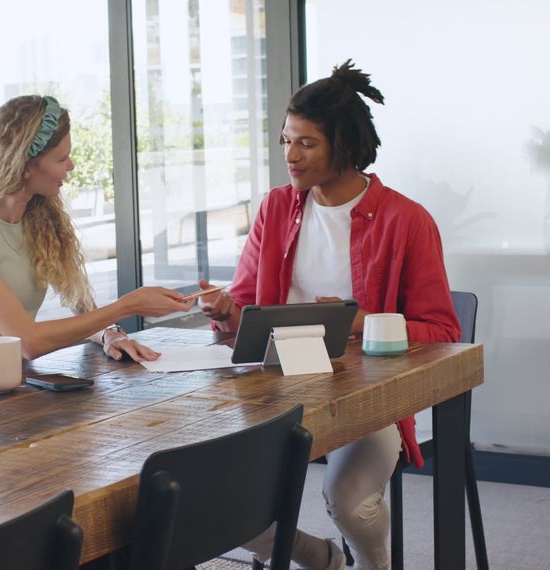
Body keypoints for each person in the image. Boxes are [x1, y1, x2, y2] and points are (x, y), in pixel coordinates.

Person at [198, 61, 460, 570]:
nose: (290, 156)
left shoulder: (406, 220)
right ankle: (320, 560)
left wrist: (357, 321)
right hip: (275, 387)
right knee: (211, 501)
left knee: (349, 502)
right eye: (285, 141)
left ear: (344, 142)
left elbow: (444, 331)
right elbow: (247, 309)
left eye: (307, 143)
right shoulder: (276, 209)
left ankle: (372, 565)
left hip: (368, 396)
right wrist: (227, 313)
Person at [0, 95, 192, 372]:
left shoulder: (40, 219)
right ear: (26, 165)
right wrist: (128, 306)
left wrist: (109, 333)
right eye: (62, 158)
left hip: (16, 384)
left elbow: (83, 311)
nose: (71, 166)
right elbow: (28, 341)